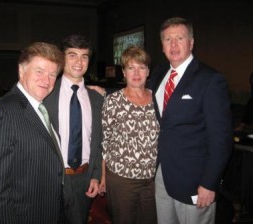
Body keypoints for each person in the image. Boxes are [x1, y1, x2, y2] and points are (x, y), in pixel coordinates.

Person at [149, 17, 233, 224]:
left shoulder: (210, 79)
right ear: (162, 45)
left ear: (191, 42)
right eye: (168, 39)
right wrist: (97, 92)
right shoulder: (159, 73)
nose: (174, 45)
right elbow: (135, 90)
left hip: (195, 181)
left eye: (180, 38)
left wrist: (210, 183)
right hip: (162, 175)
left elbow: (221, 139)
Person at [0, 42, 65, 223]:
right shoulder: (1, 111)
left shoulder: (42, 107)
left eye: (52, 74)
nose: (46, 80)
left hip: (48, 209)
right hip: (24, 215)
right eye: (39, 71)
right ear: (21, 71)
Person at [43, 34, 104, 224]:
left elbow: (100, 141)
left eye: (84, 56)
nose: (79, 61)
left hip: (83, 179)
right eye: (72, 55)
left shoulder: (97, 99)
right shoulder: (45, 92)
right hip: (50, 178)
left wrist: (95, 176)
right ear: (62, 58)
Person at [100, 46, 159, 224]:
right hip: (121, 179)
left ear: (148, 71)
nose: (136, 72)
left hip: (152, 179)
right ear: (124, 72)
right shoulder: (113, 101)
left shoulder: (158, 99)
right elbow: (105, 141)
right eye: (131, 67)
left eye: (141, 67)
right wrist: (103, 176)